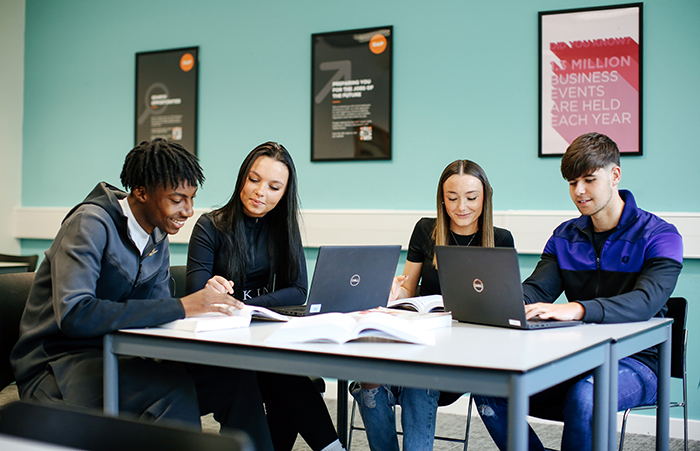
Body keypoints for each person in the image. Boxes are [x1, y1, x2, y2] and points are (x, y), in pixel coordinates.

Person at [10, 139, 275, 451]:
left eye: (191, 199)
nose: (187, 211)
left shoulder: (156, 233)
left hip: (123, 356)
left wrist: (204, 314)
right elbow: (75, 314)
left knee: (234, 380)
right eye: (177, 199)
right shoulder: (90, 224)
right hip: (58, 366)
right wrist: (183, 307)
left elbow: (157, 309)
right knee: (173, 390)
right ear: (140, 192)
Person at [473, 132, 684, 451]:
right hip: (577, 356)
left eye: (589, 179)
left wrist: (578, 309)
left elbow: (645, 303)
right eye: (572, 183)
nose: (579, 191)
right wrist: (494, 302)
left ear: (614, 175)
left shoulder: (661, 235)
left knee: (586, 396)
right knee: (489, 386)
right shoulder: (564, 237)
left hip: (639, 361)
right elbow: (535, 289)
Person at [186, 142, 345, 451]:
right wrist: (214, 293)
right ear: (242, 178)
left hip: (259, 341)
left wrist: (245, 306)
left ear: (284, 193)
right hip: (219, 350)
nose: (261, 192)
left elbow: (299, 290)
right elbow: (196, 293)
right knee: (286, 376)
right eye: (254, 179)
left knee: (282, 376)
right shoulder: (210, 226)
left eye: (274, 187)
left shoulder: (283, 228)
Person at [352, 159, 515, 451]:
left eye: (471, 198)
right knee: (368, 377)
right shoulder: (425, 230)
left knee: (418, 380)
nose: (461, 207)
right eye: (452, 198)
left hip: (463, 353)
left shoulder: (500, 239)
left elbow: (502, 309)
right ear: (442, 198)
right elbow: (408, 291)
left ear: (485, 198)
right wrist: (391, 294)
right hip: (419, 338)